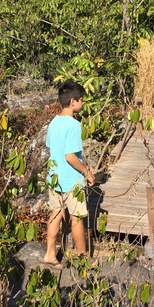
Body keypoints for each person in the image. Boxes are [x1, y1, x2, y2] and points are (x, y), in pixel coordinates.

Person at [43, 80, 95, 269]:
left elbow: (51, 147)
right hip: (72, 180)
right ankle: (83, 259)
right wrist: (87, 172)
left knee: (55, 214)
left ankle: (49, 253)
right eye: (81, 100)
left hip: (54, 177)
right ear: (73, 102)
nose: (82, 104)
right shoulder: (74, 125)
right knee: (77, 218)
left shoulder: (54, 122)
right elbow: (70, 156)